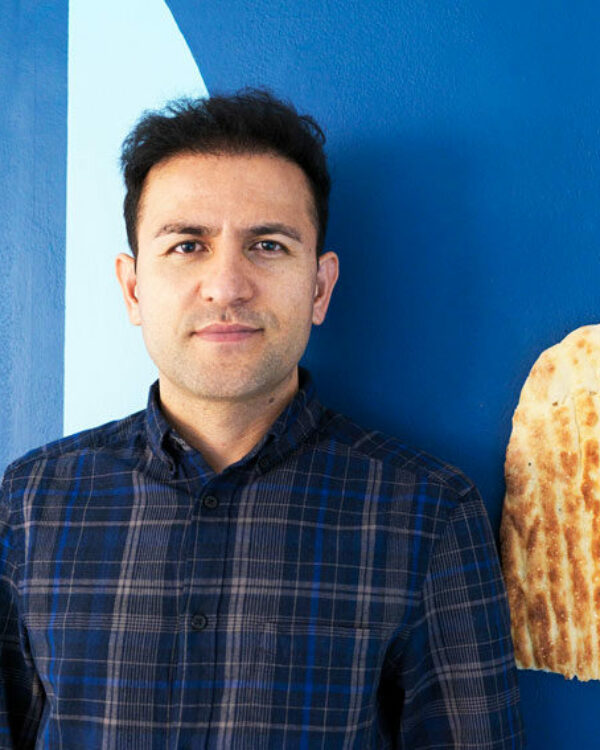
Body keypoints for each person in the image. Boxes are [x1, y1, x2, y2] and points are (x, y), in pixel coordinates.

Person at [0, 89, 524, 749]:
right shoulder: (28, 502)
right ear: (134, 288)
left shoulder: (427, 513)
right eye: (188, 245)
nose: (226, 285)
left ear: (319, 287)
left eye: (268, 245)